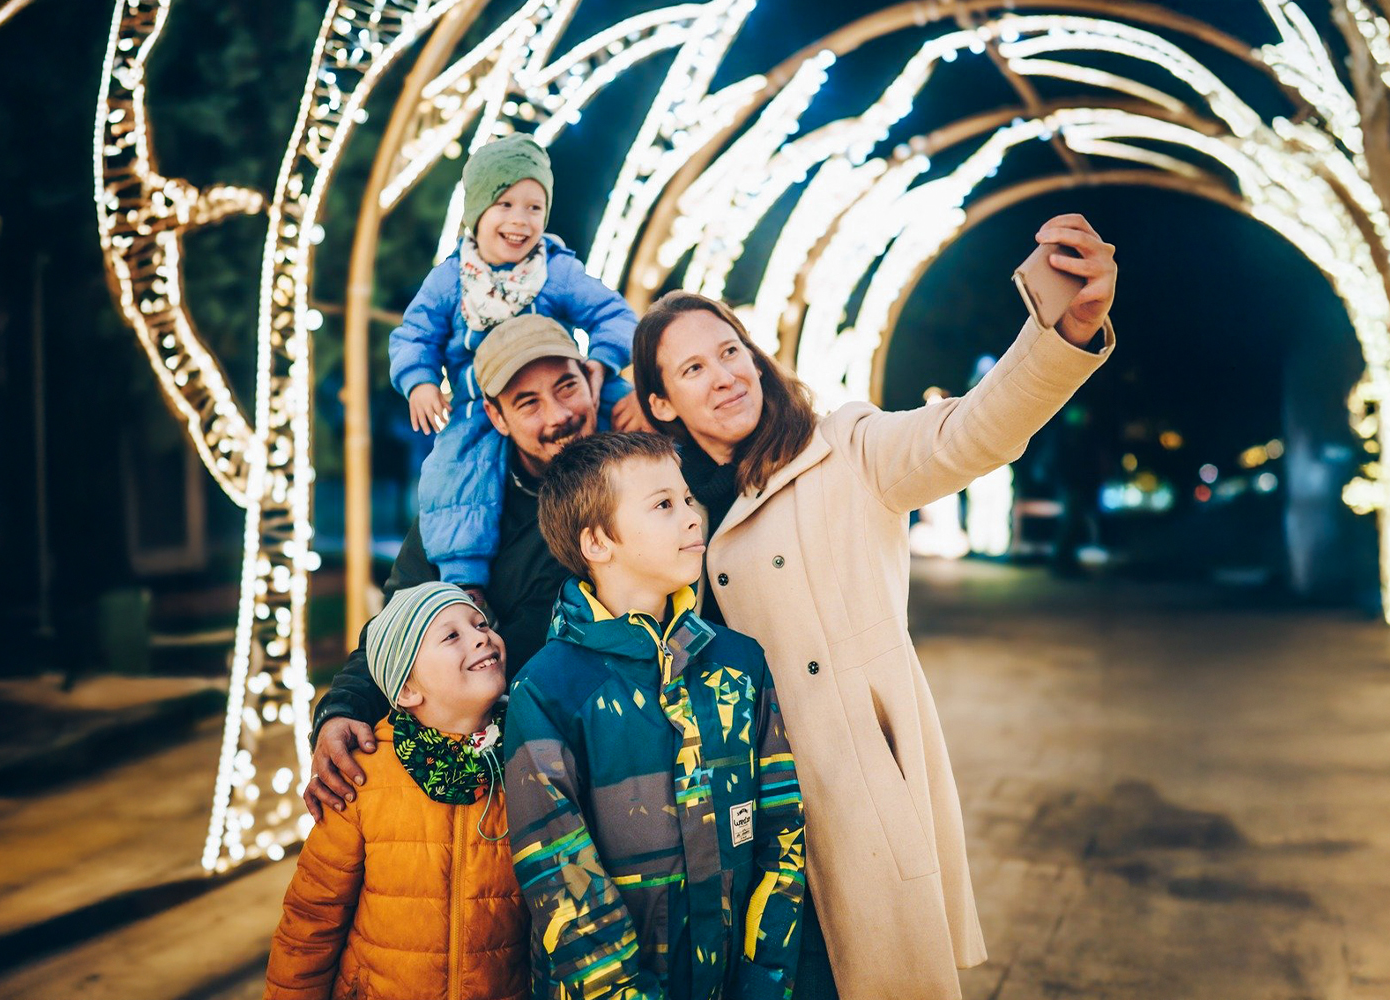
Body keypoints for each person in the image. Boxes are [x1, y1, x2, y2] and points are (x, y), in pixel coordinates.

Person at [631, 214, 1118, 1000]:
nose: (725, 375)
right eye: (692, 369)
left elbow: (971, 432)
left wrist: (1060, 332)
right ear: (660, 404)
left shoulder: (846, 450)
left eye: (731, 352)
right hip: (726, 819)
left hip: (848, 794)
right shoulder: (662, 508)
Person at [505, 431, 805, 999]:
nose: (693, 517)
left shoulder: (741, 663)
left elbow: (782, 830)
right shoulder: (547, 689)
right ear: (597, 542)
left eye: (688, 499)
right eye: (664, 505)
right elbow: (561, 879)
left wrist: (763, 981)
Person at [305, 313, 605, 819]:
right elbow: (399, 622)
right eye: (527, 402)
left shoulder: (637, 476)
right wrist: (343, 709)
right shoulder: (458, 507)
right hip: (481, 775)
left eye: (566, 387)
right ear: (496, 415)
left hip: (603, 762)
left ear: (592, 380)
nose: (558, 415)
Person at [390, 132, 644, 592]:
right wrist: (419, 381)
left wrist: (603, 365)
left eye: (534, 207)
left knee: (629, 409)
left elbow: (615, 315)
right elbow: (414, 335)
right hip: (477, 404)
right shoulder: (450, 281)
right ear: (476, 213)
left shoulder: (554, 270)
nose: (520, 220)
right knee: (456, 471)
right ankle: (465, 580)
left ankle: (660, 499)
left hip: (562, 376)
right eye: (505, 204)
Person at [265, 582, 527, 1000]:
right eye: (452, 635)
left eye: (480, 625)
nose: (482, 636)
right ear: (407, 690)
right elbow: (311, 921)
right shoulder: (362, 776)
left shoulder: (526, 761)